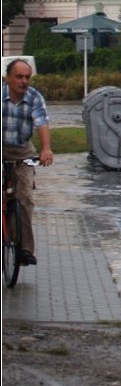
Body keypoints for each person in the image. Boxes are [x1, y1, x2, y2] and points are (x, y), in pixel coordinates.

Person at [2, 58, 54, 266]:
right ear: (7, 78)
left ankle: (24, 249)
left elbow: (41, 123)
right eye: (19, 77)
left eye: (27, 77)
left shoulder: (34, 97)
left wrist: (46, 149)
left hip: (23, 150)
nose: (24, 81)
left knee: (25, 198)